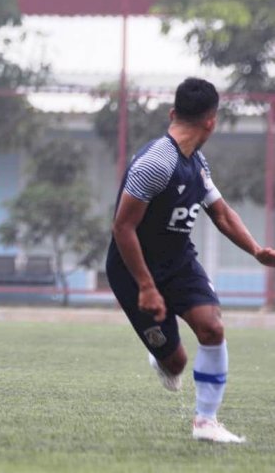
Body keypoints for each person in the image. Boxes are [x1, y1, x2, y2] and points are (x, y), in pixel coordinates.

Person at [106, 77, 275, 443]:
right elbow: (122, 228)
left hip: (179, 261)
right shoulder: (156, 164)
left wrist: (256, 250)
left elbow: (222, 214)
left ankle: (206, 423)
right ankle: (164, 356)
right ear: (212, 121)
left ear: (174, 113)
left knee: (212, 328)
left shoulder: (197, 163)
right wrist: (147, 286)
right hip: (132, 269)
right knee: (177, 363)